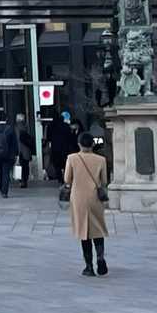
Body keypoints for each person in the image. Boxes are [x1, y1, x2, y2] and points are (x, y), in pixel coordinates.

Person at [65, 132, 109, 277]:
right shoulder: (101, 160)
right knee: (97, 228)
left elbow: (67, 179)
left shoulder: (72, 158)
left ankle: (89, 266)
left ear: (79, 144)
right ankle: (100, 257)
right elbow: (104, 181)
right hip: (95, 198)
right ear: (93, 144)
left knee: (84, 232)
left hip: (78, 198)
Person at [0, 115, 20, 197]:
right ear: (6, 119)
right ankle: (5, 191)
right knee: (6, 172)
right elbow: (14, 143)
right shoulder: (10, 129)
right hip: (8, 155)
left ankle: (0, 187)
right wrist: (16, 154)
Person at [47, 112, 77, 182]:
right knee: (65, 163)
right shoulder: (66, 126)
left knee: (57, 164)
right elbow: (70, 137)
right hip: (65, 147)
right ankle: (66, 177)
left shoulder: (51, 126)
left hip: (55, 147)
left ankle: (60, 178)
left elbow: (49, 137)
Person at [15, 115, 35, 189]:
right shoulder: (26, 126)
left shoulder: (16, 127)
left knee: (20, 166)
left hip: (20, 150)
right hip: (26, 150)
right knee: (25, 166)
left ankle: (21, 181)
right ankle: (24, 181)